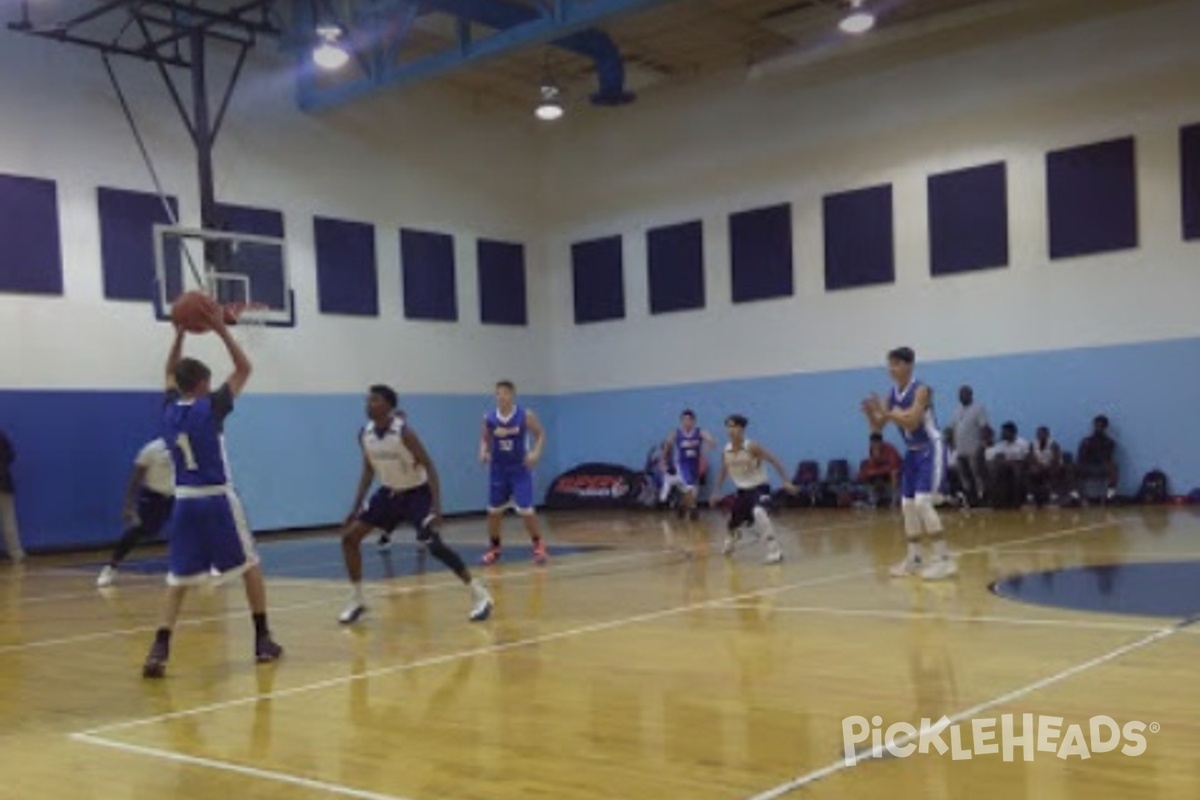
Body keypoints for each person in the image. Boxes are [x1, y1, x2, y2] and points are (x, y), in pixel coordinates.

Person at [142, 308, 282, 678]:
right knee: (250, 566)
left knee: (178, 580)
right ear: (203, 383)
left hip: (183, 501)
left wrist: (178, 335)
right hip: (217, 497)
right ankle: (262, 639)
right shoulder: (212, 407)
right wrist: (221, 330)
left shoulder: (169, 410)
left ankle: (159, 649)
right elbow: (244, 368)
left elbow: (168, 373)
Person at [339, 384, 493, 625]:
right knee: (349, 539)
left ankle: (478, 593)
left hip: (416, 494)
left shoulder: (404, 433)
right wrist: (356, 506)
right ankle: (357, 599)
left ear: (389, 406)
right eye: (368, 401)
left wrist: (437, 507)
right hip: (388, 494)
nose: (369, 405)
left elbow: (429, 466)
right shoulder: (364, 434)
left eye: (375, 400)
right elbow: (368, 470)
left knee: (434, 546)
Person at [862, 347, 955, 580]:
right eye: (889, 364)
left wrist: (888, 413)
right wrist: (870, 414)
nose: (891, 369)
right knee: (907, 505)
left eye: (895, 364)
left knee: (923, 502)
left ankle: (945, 560)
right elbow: (877, 428)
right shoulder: (891, 393)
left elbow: (913, 422)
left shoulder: (921, 390)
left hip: (931, 448)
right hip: (912, 452)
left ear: (908, 365)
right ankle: (914, 558)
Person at [708, 414, 797, 564]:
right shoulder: (726, 450)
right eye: (728, 427)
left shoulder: (751, 446)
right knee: (732, 523)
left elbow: (773, 460)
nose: (730, 430)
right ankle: (733, 536)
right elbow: (723, 471)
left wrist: (786, 481)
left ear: (741, 429)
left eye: (733, 426)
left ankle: (775, 551)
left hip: (760, 488)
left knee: (759, 512)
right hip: (742, 492)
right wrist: (716, 491)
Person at [480, 381, 548, 565]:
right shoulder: (489, 417)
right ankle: (494, 548)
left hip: (519, 469)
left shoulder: (525, 415)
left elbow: (540, 434)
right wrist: (483, 451)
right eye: (498, 394)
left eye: (504, 393)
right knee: (493, 512)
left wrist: (535, 453)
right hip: (498, 470)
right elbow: (485, 439)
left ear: (512, 395)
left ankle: (538, 545)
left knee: (526, 510)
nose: (501, 397)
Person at [97, 438, 175, 587]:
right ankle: (111, 567)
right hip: (153, 496)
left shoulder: (186, 447)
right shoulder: (152, 449)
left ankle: (186, 569)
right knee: (139, 530)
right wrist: (129, 505)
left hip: (177, 496)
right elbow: (136, 477)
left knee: (187, 530)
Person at [659, 409, 716, 520]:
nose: (687, 422)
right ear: (681, 421)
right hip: (682, 464)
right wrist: (663, 459)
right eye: (684, 420)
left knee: (692, 489)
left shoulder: (700, 432)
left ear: (694, 421)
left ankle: (682, 506)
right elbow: (667, 444)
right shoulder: (676, 433)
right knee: (689, 486)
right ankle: (694, 509)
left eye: (689, 420)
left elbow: (712, 441)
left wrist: (710, 444)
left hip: (694, 464)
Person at [951, 385, 989, 505]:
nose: (962, 397)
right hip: (960, 450)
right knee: (964, 477)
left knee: (977, 475)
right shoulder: (957, 410)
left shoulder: (978, 408)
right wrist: (953, 445)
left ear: (970, 395)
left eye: (964, 394)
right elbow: (954, 428)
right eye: (960, 395)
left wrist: (983, 445)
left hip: (974, 449)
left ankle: (983, 499)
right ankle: (971, 499)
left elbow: (984, 427)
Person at [985, 421, 1031, 508]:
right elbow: (998, 457)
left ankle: (1017, 500)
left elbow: (1026, 458)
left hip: (1020, 467)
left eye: (1004, 432)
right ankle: (997, 500)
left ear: (1012, 432)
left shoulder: (1023, 443)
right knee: (996, 469)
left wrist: (1012, 462)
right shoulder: (1001, 444)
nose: (1002, 434)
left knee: (1016, 469)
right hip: (1004, 468)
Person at [1074, 414, 1119, 501]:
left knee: (1114, 467)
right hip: (1087, 465)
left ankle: (1110, 495)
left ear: (1105, 427)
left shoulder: (1109, 442)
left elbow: (1107, 458)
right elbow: (1081, 457)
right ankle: (1076, 495)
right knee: (1074, 466)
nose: (1098, 428)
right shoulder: (1086, 441)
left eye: (1101, 426)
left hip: (1101, 466)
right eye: (1096, 425)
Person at [857, 432, 902, 508]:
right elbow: (872, 464)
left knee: (893, 473)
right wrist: (865, 473)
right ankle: (873, 500)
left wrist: (877, 471)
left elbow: (894, 466)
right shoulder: (872, 450)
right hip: (881, 472)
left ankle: (894, 500)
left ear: (881, 443)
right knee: (866, 474)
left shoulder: (890, 449)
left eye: (875, 443)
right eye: (872, 444)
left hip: (894, 471)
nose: (874, 445)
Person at [0, 428, 24, 563]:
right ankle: (16, 554)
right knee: (8, 520)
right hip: (4, 483)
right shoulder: (1, 435)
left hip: (3, 482)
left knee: (8, 520)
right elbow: (11, 456)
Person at [1027, 426, 1064, 506]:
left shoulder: (1054, 444)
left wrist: (1046, 466)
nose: (1040, 436)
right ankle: (1031, 497)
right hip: (1039, 466)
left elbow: (1056, 459)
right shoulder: (1032, 444)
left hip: (1052, 465)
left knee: (1053, 471)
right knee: (1032, 471)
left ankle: (1053, 496)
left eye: (1043, 434)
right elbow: (1031, 458)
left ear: (1048, 435)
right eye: (1039, 434)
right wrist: (1037, 465)